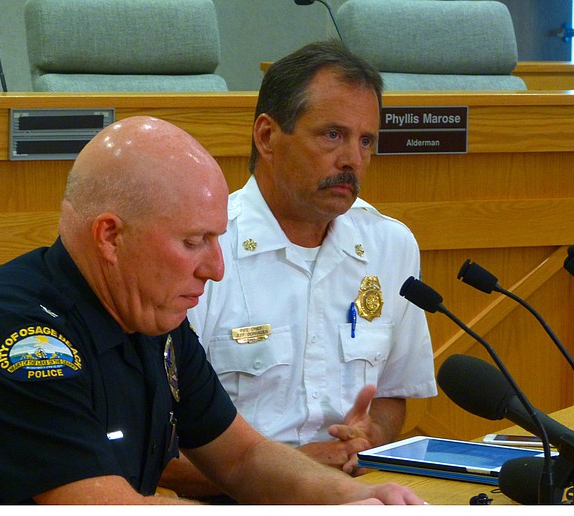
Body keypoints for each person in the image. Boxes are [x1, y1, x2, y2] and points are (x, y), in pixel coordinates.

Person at [0, 116, 423, 505]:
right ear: (110, 236)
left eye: (217, 239)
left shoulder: (150, 317)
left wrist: (356, 499)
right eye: (194, 241)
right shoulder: (19, 338)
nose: (216, 268)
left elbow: (242, 458)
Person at [160, 40, 436, 497]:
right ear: (267, 136)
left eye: (366, 140)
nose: (352, 159)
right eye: (332, 135)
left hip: (354, 491)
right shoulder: (202, 249)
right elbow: (152, 444)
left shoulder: (391, 245)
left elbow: (392, 393)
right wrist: (286, 471)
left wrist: (371, 435)